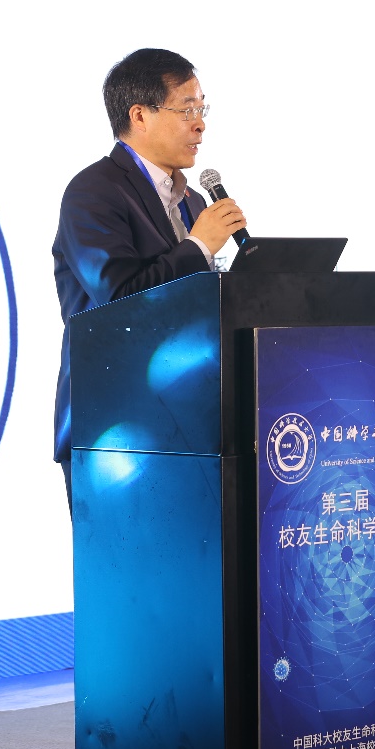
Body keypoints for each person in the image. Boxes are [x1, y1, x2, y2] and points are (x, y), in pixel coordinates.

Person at [52, 49, 247, 507]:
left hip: (192, 424)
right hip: (116, 434)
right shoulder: (93, 191)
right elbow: (119, 300)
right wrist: (198, 247)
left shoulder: (193, 201)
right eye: (187, 110)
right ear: (139, 115)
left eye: (203, 109)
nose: (200, 125)